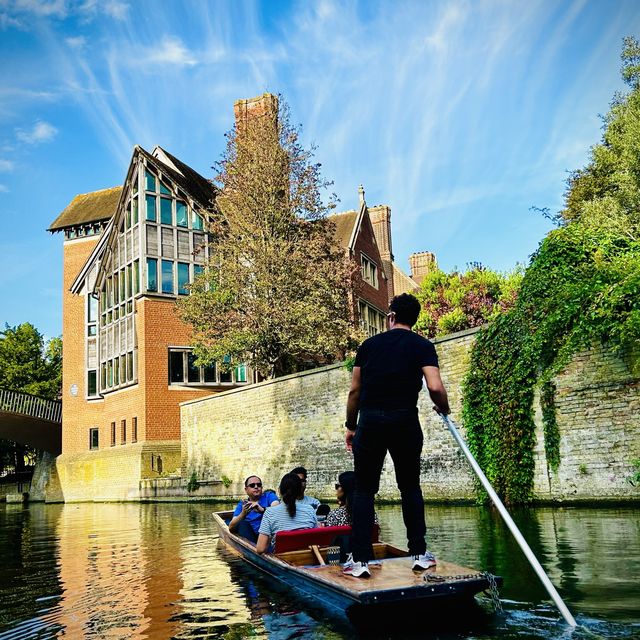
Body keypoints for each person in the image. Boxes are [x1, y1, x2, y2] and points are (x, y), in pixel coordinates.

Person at [344, 293, 450, 578]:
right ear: (414, 319)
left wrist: (351, 426)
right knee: (410, 487)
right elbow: (435, 387)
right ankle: (418, 554)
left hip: (371, 420)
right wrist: (444, 408)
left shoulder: (368, 346)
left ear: (391, 316)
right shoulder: (423, 346)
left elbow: (355, 391)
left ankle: (360, 560)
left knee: (365, 490)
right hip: (405, 420)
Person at [256, 473, 318, 554]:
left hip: (281, 557)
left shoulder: (269, 512)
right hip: (306, 556)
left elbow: (260, 549)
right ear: (299, 491)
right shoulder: (310, 510)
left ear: (279, 490)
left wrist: (270, 539)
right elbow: (316, 540)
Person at [229, 475, 280, 543]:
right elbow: (231, 527)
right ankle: (252, 547)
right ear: (246, 490)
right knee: (241, 523)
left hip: (269, 534)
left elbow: (277, 510)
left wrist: (262, 510)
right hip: (251, 536)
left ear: (261, 487)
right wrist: (243, 514)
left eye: (259, 485)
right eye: (252, 485)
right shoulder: (242, 504)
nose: (256, 487)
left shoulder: (269, 495)